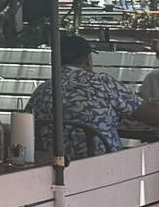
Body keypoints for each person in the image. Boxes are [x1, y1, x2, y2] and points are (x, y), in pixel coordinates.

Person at [29, 34, 141, 162]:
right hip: (104, 167)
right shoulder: (102, 82)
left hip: (55, 168)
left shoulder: (42, 90)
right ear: (88, 59)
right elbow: (148, 114)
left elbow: (27, 124)